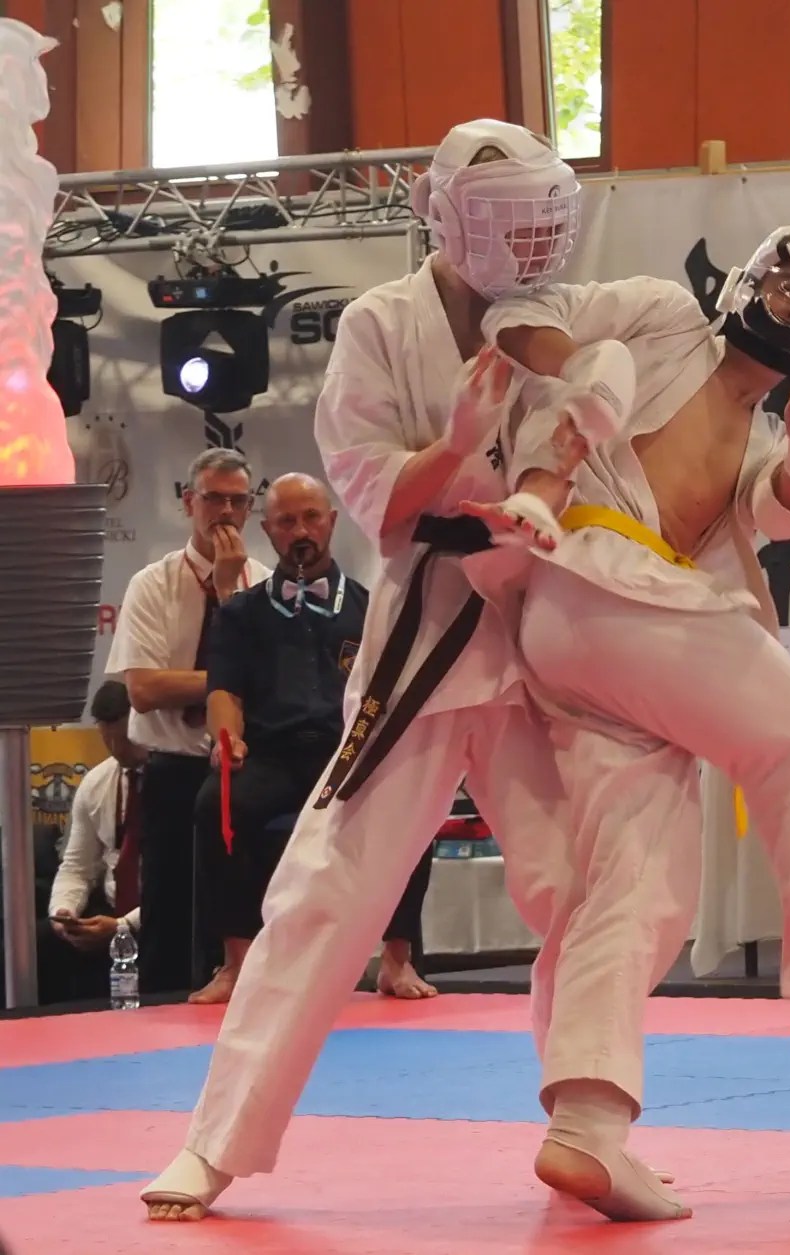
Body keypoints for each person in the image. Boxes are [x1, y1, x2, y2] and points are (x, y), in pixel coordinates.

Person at [140, 117, 630, 1221]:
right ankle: (214, 1143)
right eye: (508, 220)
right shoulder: (379, 324)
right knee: (326, 889)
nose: (531, 241)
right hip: (428, 633)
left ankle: (591, 1132)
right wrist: (454, 444)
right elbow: (382, 506)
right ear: (448, 218)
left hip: (541, 629)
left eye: (542, 219)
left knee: (586, 886)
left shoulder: (564, 319)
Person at [467, 226, 790, 1221]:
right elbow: (524, 312)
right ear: (747, 279)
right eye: (785, 282)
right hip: (595, 582)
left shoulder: (761, 436)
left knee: (640, 881)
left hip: (602, 642)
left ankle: (587, 1124)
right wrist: (583, 377)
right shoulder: (658, 314)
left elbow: (785, 504)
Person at [191, 473, 435, 1004]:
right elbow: (223, 692)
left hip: (347, 754)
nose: (300, 531)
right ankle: (236, 962)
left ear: (331, 522)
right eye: (286, 521)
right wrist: (227, 740)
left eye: (310, 518)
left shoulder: (372, 610)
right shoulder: (240, 614)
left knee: (416, 800)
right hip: (271, 755)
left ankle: (397, 958)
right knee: (217, 802)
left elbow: (394, 692)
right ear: (267, 530)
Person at [106, 449, 270, 995]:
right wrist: (229, 682)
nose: (225, 512)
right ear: (188, 502)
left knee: (240, 915)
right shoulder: (152, 583)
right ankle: (159, 1022)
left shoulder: (266, 585)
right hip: (174, 769)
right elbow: (144, 690)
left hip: (243, 770)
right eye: (213, 499)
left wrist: (230, 595)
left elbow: (271, 690)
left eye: (237, 501)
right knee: (168, 918)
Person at [41, 681, 147, 1002]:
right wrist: (64, 912)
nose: (116, 749)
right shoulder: (96, 783)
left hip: (160, 915)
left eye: (123, 738)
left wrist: (123, 926)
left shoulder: (177, 781)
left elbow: (179, 884)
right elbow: (76, 867)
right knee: (43, 942)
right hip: (111, 907)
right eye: (106, 738)